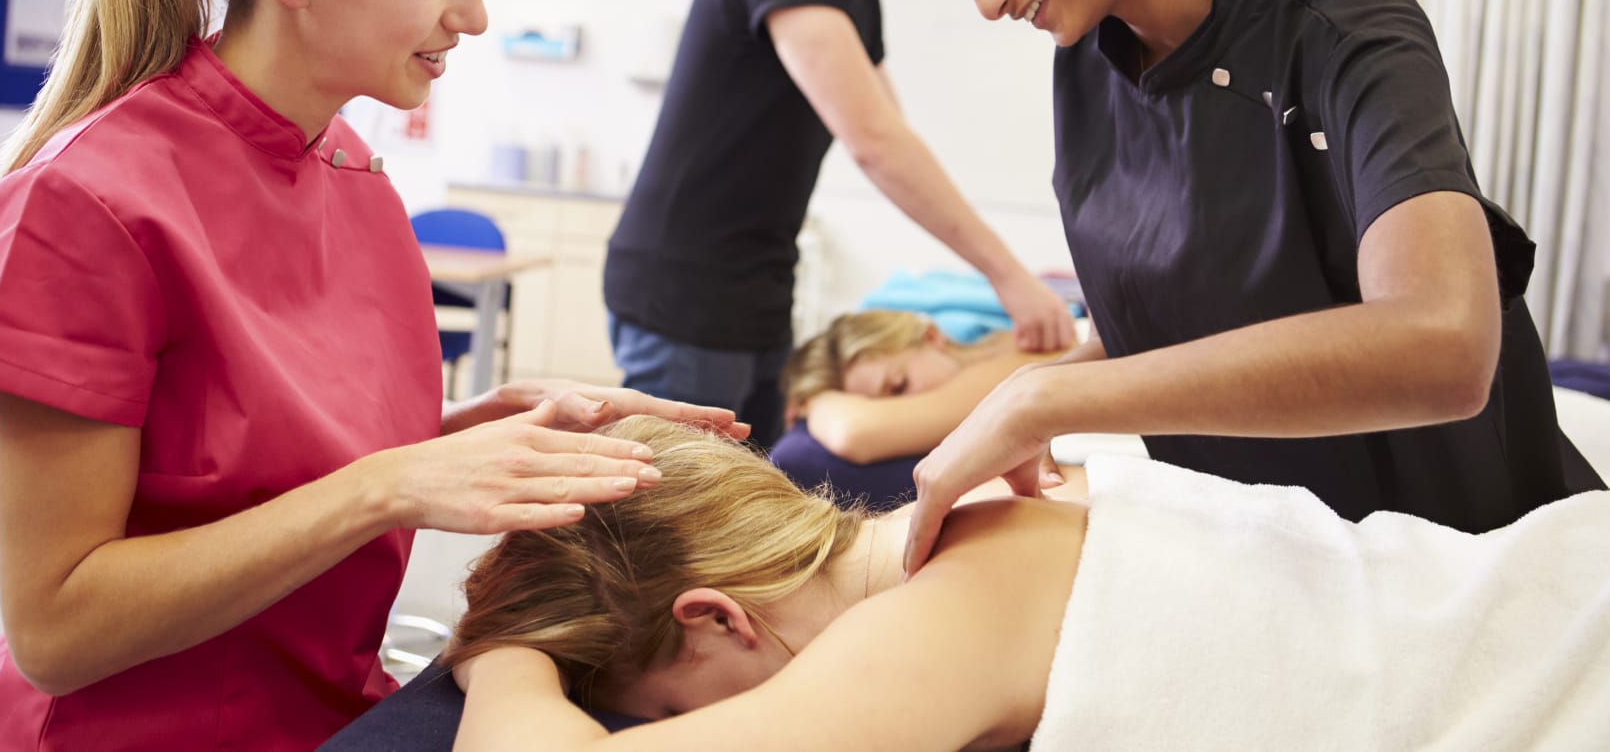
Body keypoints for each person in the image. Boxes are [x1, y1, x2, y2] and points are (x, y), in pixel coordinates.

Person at [0, 0, 741, 752]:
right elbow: (57, 627)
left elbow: (234, 459)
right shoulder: (84, 205)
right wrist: (390, 484)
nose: (475, 14)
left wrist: (481, 435)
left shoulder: (347, 167)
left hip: (324, 711)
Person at [887, 0, 1602, 574]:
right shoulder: (1087, 63)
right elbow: (1185, 318)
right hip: (1277, 557)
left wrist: (1053, 395)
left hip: (1455, 559)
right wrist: (1017, 399)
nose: (986, 0)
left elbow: (1445, 346)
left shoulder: (1343, 28)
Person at [438, 417, 1610, 751]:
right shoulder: (1000, 509)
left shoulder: (933, 616)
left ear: (712, 615)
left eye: (668, 710)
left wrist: (498, 654)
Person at [603, 0, 1075, 447]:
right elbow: (875, 145)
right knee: (680, 523)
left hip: (758, 291)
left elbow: (895, 139)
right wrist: (1009, 278)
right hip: (684, 293)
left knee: (751, 502)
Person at [781, 310, 1057, 464]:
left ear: (930, 336)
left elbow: (854, 431)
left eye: (899, 388)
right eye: (880, 406)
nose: (902, 413)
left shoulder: (1010, 365)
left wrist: (814, 400)